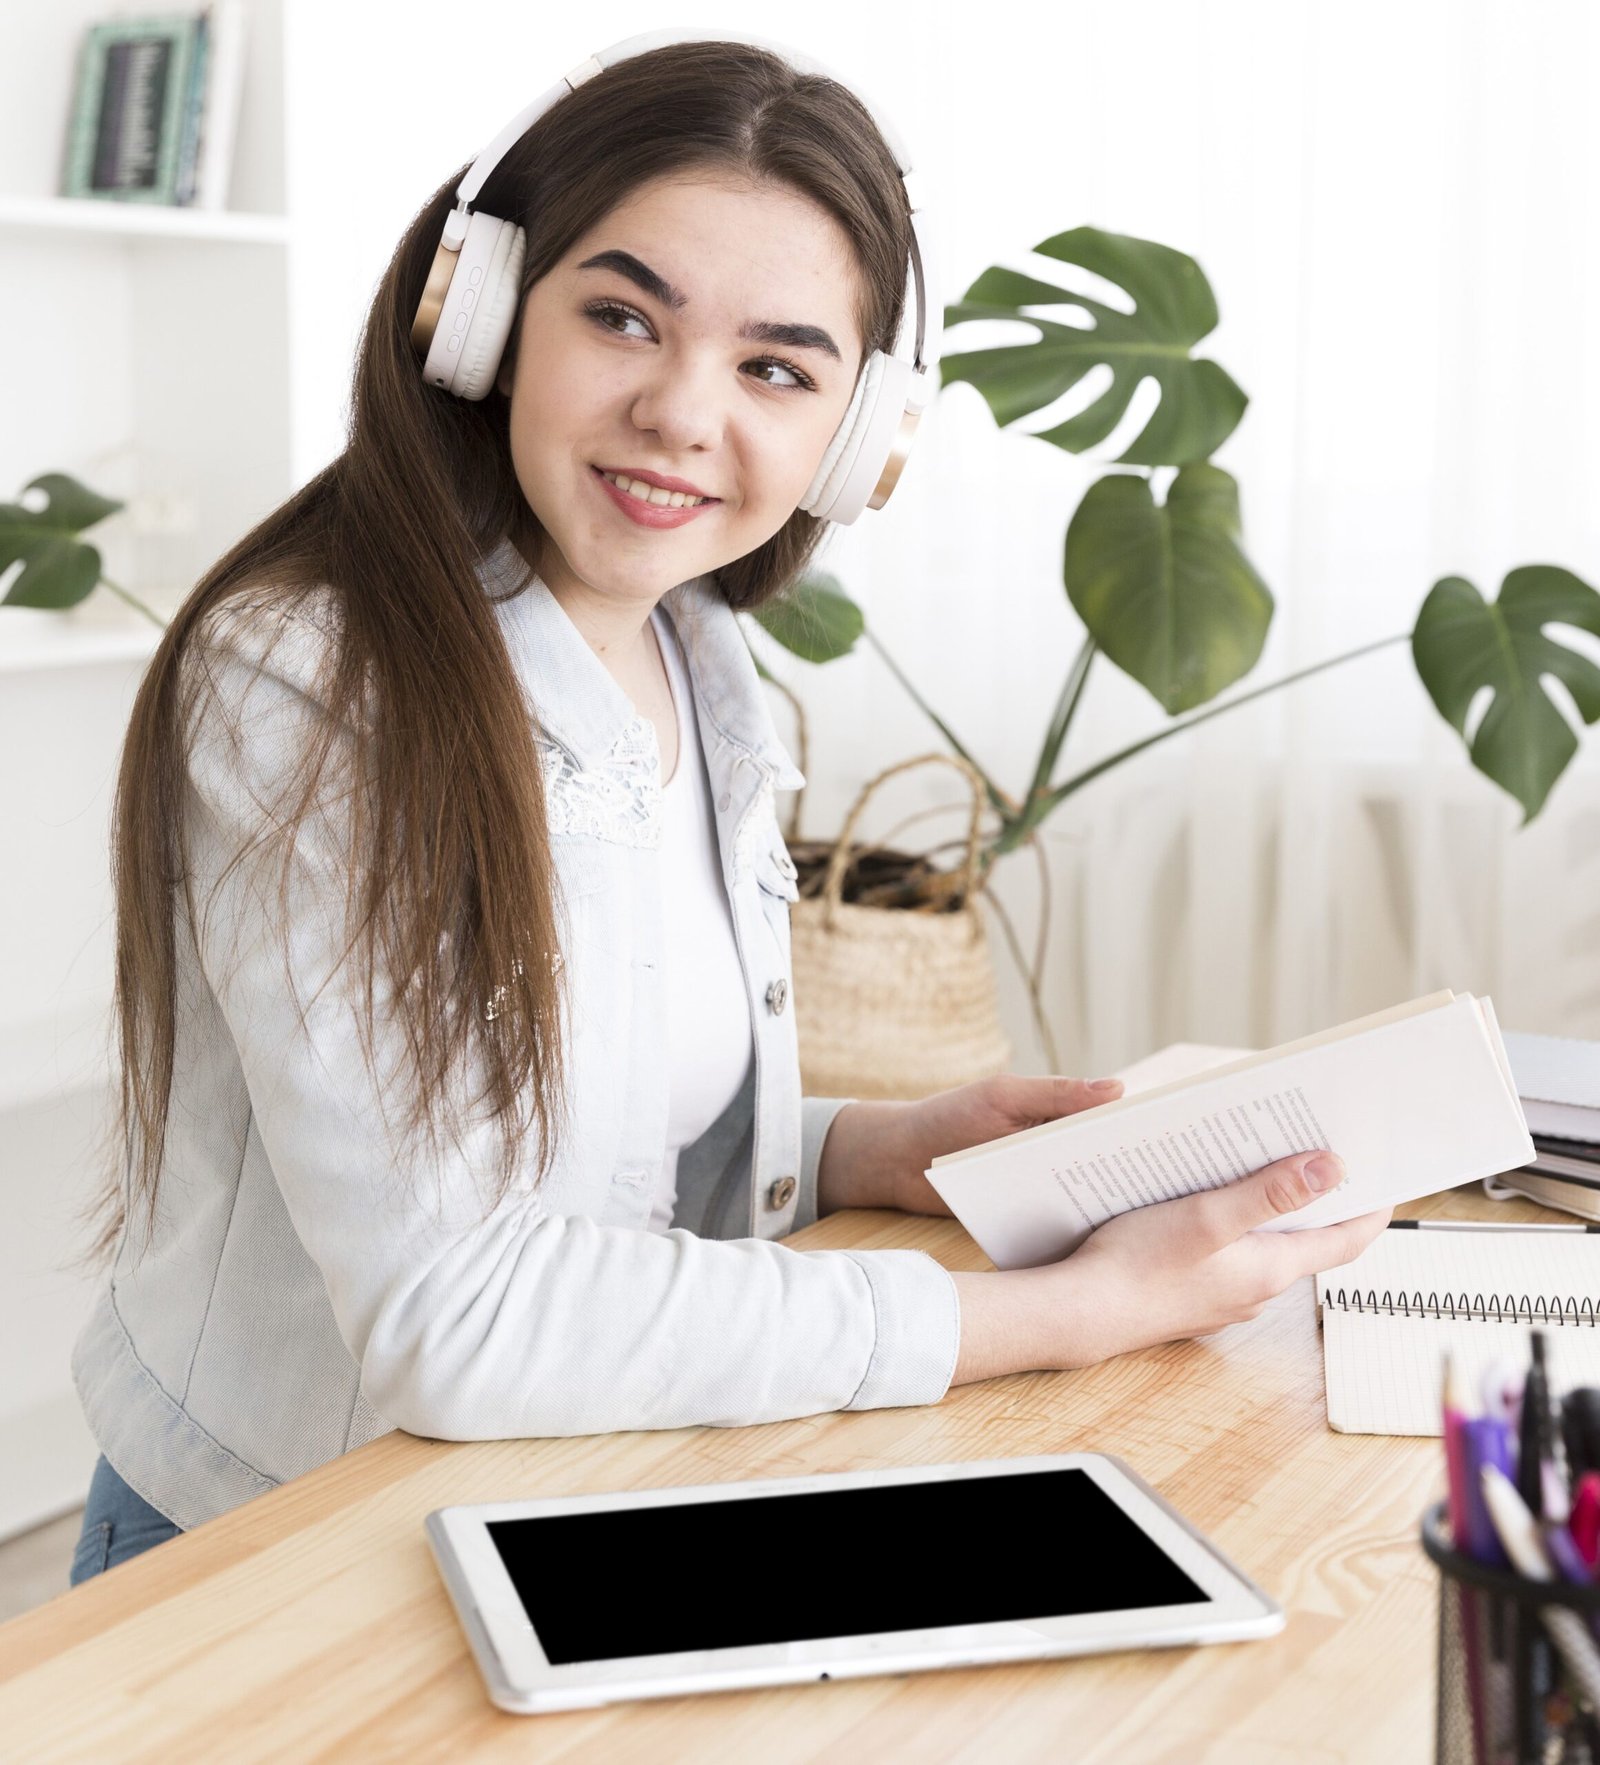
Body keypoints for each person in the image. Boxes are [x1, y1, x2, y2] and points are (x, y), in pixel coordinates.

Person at [66, 31, 1389, 1586]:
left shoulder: (697, 658)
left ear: (856, 436)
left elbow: (587, 1139)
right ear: (480, 313)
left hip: (565, 1501)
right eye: (623, 316)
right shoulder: (314, 682)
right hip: (274, 1553)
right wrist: (1055, 1314)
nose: (687, 413)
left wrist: (853, 1149)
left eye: (776, 365)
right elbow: (458, 1313)